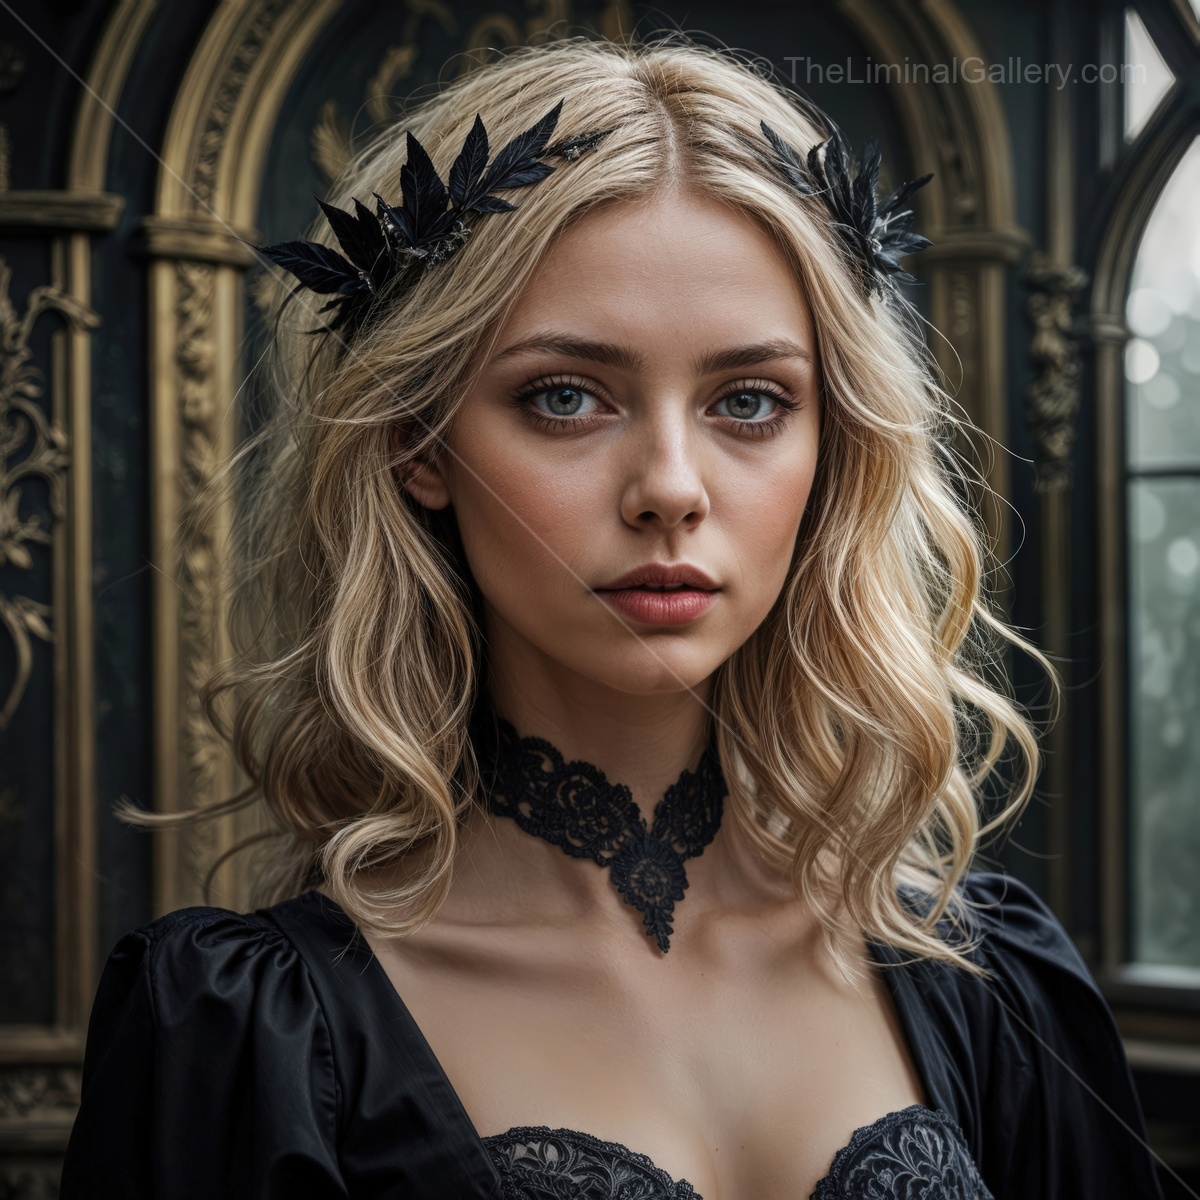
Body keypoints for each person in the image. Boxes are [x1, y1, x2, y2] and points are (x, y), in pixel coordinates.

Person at [60, 33, 1163, 1200]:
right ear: (417, 443)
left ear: (832, 443)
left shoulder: (989, 979)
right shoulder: (244, 1034)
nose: (672, 488)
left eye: (749, 400)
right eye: (566, 397)